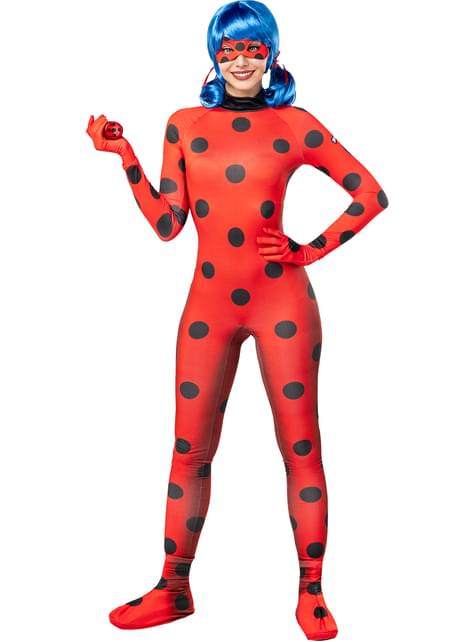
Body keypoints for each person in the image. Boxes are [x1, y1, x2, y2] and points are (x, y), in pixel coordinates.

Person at [86, 1, 388, 639]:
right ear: (214, 58)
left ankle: (312, 591)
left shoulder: (296, 125)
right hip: (209, 306)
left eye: (253, 49)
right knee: (188, 450)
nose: (241, 61)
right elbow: (168, 224)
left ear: (271, 55)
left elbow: (371, 194)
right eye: (229, 51)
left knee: (300, 448)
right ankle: (173, 587)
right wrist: (125, 155)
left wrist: (309, 251)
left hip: (284, 303)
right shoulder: (184, 125)